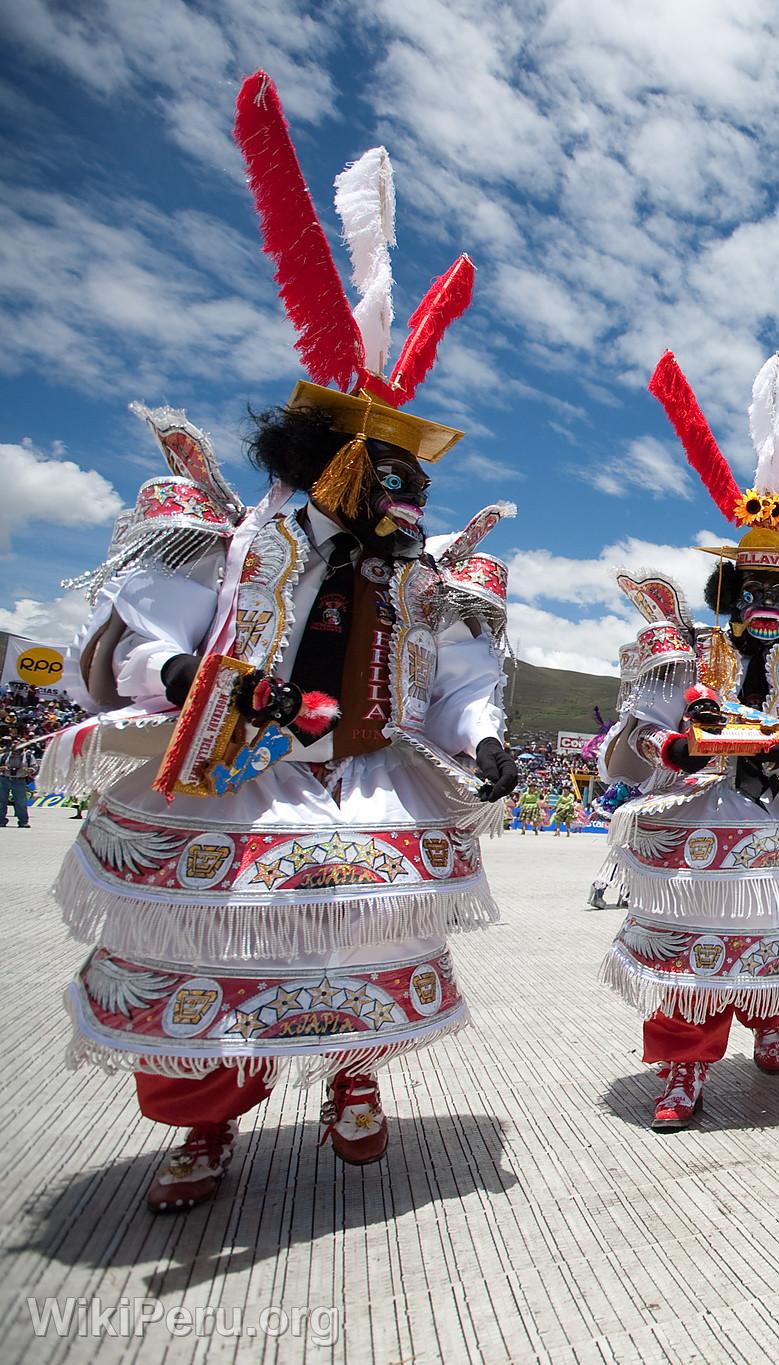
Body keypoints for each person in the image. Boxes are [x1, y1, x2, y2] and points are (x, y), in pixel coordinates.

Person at [40, 72, 518, 1213]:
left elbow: (455, 686)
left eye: (415, 482)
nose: (410, 500)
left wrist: (488, 739)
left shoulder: (421, 580)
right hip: (233, 768)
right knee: (213, 950)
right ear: (331, 463)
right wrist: (197, 680)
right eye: (391, 476)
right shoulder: (232, 540)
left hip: (365, 773)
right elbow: (134, 645)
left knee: (358, 936)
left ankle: (353, 1078)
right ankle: (206, 1123)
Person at [596, 352, 779, 1130]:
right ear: (728, 593)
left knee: (773, 929)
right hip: (700, 813)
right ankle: (684, 1065)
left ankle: (770, 1016)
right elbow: (639, 733)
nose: (765, 602)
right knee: (693, 943)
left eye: (778, 591)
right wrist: (674, 751)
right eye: (751, 589)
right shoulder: (687, 651)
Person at [1, 728, 34, 828]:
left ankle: (23, 821)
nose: (16, 754)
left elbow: (34, 767)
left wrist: (29, 770)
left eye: (18, 752)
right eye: (14, 752)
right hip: (4, 779)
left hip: (19, 780)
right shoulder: (4, 755)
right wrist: (2, 768)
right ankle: (1, 820)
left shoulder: (28, 756)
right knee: (1, 801)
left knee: (20, 802)